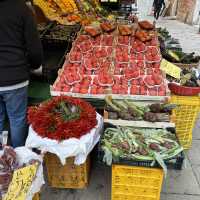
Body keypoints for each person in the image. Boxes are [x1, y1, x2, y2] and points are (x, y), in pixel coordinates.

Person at [0, 0, 43, 147]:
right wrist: (35, 65)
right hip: (15, 76)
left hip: (12, 75)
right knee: (17, 119)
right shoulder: (22, 9)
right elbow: (34, 46)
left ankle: (2, 162)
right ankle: (18, 158)